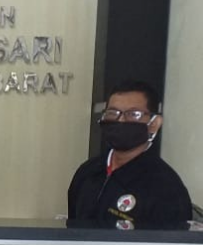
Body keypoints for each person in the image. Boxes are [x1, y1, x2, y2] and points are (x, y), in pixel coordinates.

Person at [67, 80, 191, 230]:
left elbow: (173, 243)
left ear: (154, 124)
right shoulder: (87, 171)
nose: (121, 120)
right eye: (113, 113)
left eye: (133, 114)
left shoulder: (167, 188)